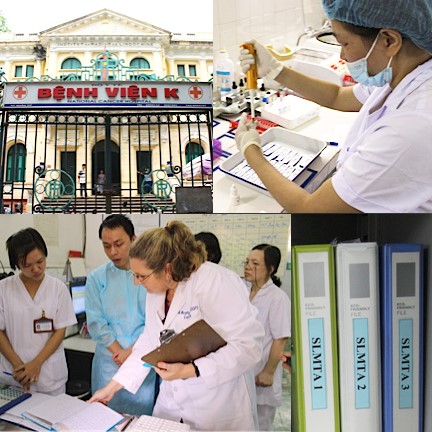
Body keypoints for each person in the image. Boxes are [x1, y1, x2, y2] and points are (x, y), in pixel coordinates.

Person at [237, 0, 432, 213]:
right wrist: (277, 71)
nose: (342, 55)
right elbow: (338, 96)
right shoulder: (403, 71)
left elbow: (309, 209)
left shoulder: (412, 125)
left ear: (389, 41)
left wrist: (250, 151)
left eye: (345, 43)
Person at [90, 221, 265, 431]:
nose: (136, 282)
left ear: (167, 269)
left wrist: (192, 370)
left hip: (216, 404)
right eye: (134, 275)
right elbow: (149, 342)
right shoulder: (156, 291)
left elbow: (249, 346)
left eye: (141, 276)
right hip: (171, 404)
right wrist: (112, 387)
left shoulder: (214, 281)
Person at [85, 215, 157, 415]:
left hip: (140, 358)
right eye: (106, 246)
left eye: (118, 244)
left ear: (133, 239)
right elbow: (96, 322)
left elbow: (154, 322)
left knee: (140, 419)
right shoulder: (97, 278)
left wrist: (130, 353)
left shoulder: (150, 276)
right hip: (109, 361)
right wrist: (119, 352)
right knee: (104, 416)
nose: (113, 252)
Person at [0, 228, 76, 395]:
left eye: (40, 261)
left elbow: (60, 331)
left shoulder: (58, 288)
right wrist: (19, 367)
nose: (36, 269)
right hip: (14, 378)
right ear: (16, 264)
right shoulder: (4, 289)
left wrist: (36, 364)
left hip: (50, 378)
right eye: (27, 265)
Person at [244, 244, 290, 431]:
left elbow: (280, 338)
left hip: (262, 374)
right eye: (247, 262)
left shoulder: (277, 298)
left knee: (261, 425)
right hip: (243, 372)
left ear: (270, 269)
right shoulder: (242, 289)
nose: (248, 266)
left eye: (255, 263)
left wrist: (268, 372)